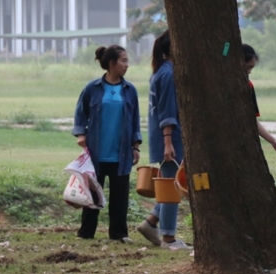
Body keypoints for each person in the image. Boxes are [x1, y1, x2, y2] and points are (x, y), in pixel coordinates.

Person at [72, 45, 142, 242]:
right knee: (93, 193)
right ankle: (86, 232)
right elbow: (80, 112)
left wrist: (136, 146)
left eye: (127, 61)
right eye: (123, 61)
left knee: (120, 196)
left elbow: (135, 120)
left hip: (121, 153)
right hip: (96, 152)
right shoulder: (92, 88)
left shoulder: (130, 90)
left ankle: (119, 234)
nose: (127, 65)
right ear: (112, 63)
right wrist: (81, 134)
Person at [136, 30, 191, 251]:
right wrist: (168, 142)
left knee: (172, 184)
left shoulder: (160, 72)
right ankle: (168, 239)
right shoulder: (168, 75)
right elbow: (167, 112)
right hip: (170, 139)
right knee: (171, 186)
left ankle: (151, 223)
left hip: (165, 138)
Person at [241, 43, 276, 157]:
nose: (249, 72)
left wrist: (273, 141)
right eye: (247, 67)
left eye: (251, 68)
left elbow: (252, 120)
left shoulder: (248, 86)